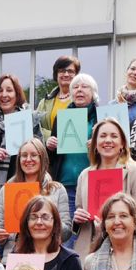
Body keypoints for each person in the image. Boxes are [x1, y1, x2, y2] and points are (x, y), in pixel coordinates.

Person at [72, 118, 136, 256]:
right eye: (103, 136)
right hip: (90, 250)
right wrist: (78, 218)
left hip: (125, 249)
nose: (108, 140)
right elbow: (79, 209)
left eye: (114, 136)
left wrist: (117, 225)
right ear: (95, 144)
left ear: (122, 143)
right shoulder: (84, 175)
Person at [0, 139, 72, 250]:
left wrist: (49, 221)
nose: (28, 159)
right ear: (18, 159)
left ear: (42, 158)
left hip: (48, 253)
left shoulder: (57, 189)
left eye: (34, 155)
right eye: (24, 155)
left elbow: (66, 233)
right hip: (15, 254)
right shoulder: (6, 190)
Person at [51, 73, 99, 213]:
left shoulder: (103, 117)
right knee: (70, 231)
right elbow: (52, 157)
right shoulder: (61, 117)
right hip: (67, 184)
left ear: (93, 92)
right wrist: (50, 146)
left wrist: (99, 144)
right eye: (75, 87)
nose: (79, 90)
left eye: (85, 87)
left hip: (94, 183)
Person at [35, 55, 81, 137]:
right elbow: (35, 127)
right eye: (62, 71)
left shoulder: (82, 100)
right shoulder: (44, 103)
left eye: (70, 71)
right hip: (48, 148)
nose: (66, 74)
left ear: (76, 75)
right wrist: (49, 138)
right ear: (56, 74)